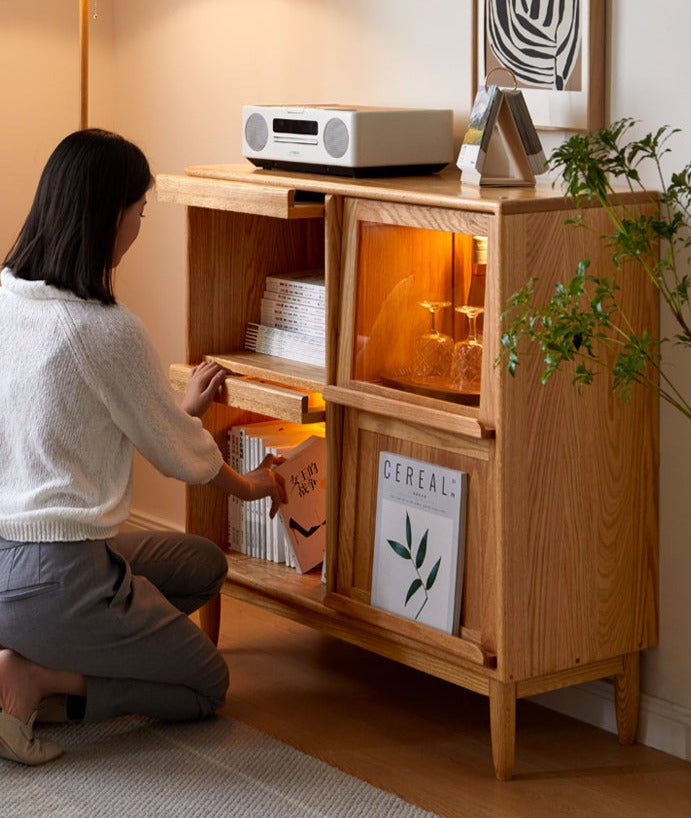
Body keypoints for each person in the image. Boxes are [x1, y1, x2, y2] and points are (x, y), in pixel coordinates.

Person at [0, 128, 286, 766]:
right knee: (206, 684)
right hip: (58, 577)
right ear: (109, 216)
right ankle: (37, 677)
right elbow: (186, 458)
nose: (139, 228)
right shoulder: (105, 330)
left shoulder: (5, 298)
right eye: (140, 213)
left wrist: (176, 414)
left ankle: (40, 651)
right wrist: (255, 487)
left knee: (203, 568)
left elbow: (85, 426)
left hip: (11, 563)